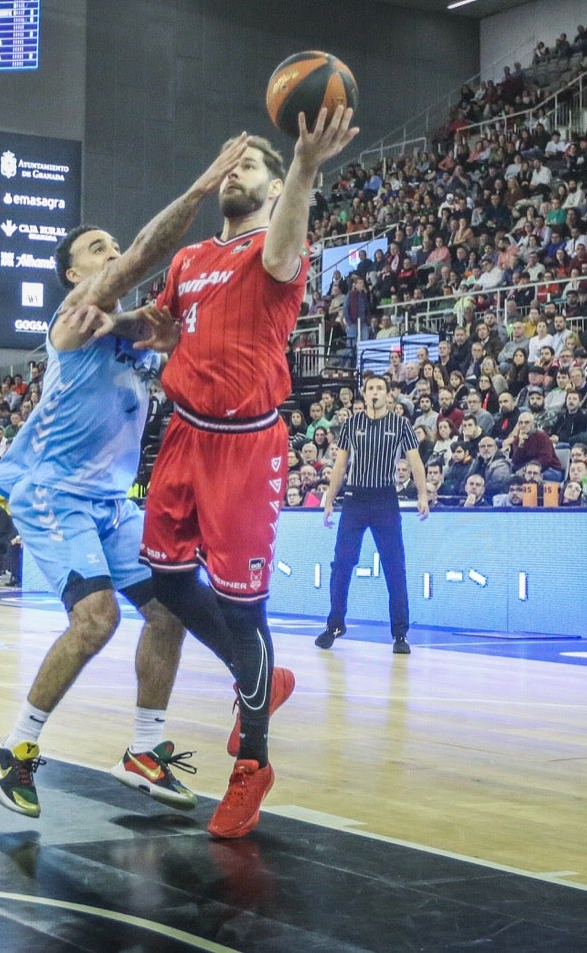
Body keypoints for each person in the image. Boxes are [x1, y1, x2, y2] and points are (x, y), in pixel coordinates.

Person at [0, 136, 253, 820]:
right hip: (51, 493)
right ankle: (15, 749)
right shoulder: (72, 323)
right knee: (96, 618)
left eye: (108, 243)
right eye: (94, 249)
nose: (109, 253)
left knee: (167, 608)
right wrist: (203, 187)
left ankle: (144, 746)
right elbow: (142, 257)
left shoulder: (131, 338)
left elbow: (168, 336)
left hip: (110, 501)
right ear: (73, 276)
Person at [141, 108, 359, 839]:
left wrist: (302, 164)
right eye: (228, 165)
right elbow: (163, 327)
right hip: (181, 437)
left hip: (246, 445)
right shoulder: (189, 259)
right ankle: (259, 676)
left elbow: (290, 231)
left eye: (249, 168)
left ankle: (253, 764)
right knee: (164, 581)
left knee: (245, 611)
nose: (234, 174)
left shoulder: (277, 247)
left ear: (270, 189)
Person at [316, 373, 432, 653]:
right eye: (371, 388)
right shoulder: (351, 424)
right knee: (342, 564)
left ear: (388, 394)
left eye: (380, 388)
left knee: (395, 567)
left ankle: (400, 634)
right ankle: (334, 624)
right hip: (355, 499)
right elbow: (340, 466)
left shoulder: (400, 424)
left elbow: (415, 462)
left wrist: (422, 494)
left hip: (385, 499)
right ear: (364, 394)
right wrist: (329, 500)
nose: (376, 392)